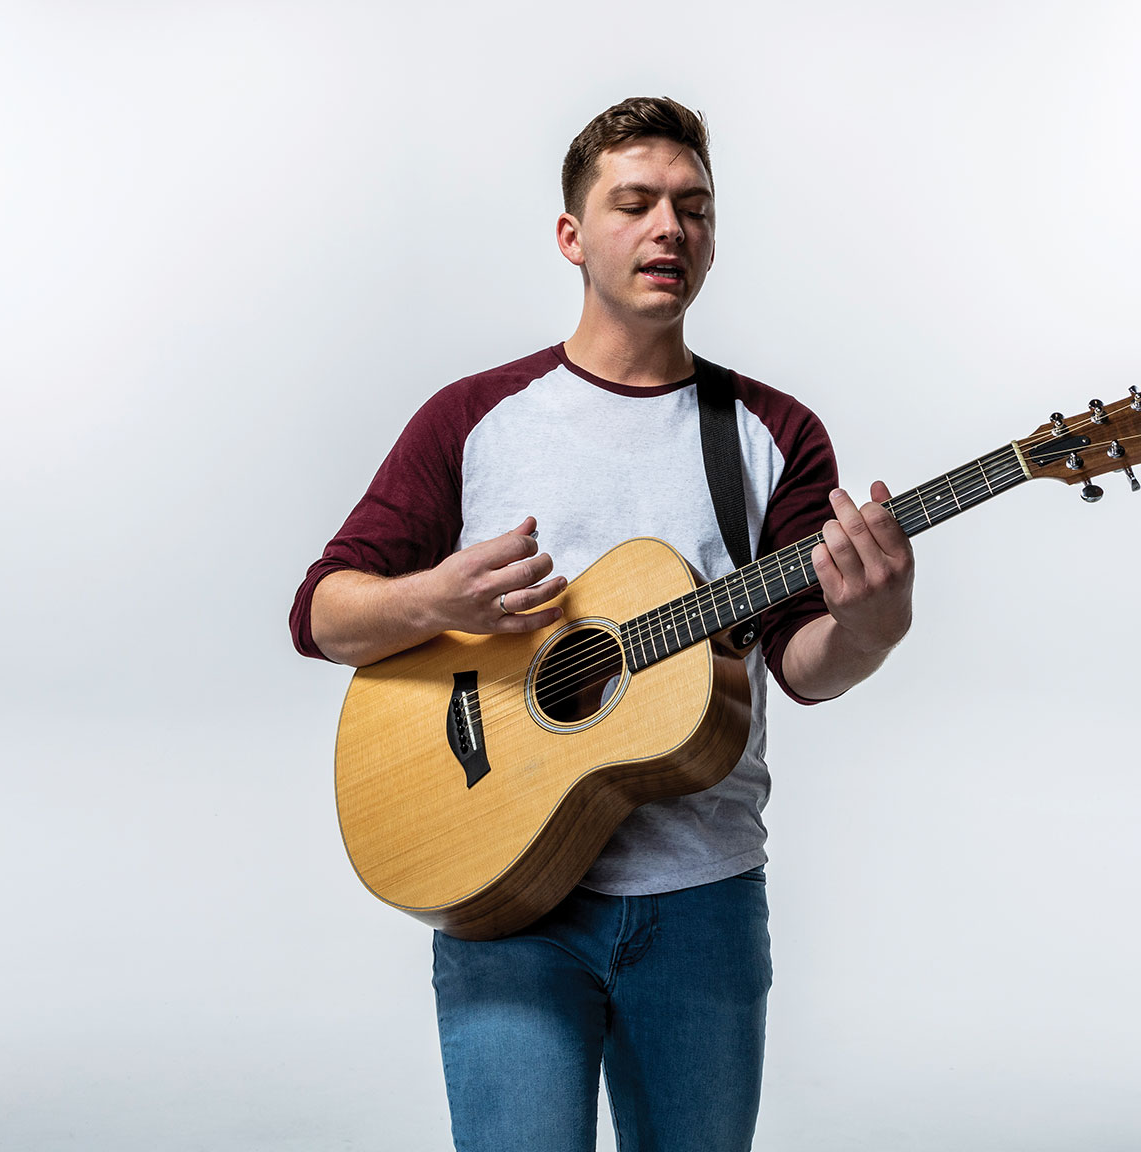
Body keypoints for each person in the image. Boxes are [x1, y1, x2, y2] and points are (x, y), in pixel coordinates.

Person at [289, 96, 915, 1152]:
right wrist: (431, 600)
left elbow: (802, 664)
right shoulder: (473, 418)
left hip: (703, 905)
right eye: (634, 203)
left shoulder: (767, 433)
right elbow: (321, 611)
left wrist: (873, 625)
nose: (669, 228)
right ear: (572, 236)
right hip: (501, 904)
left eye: (693, 207)